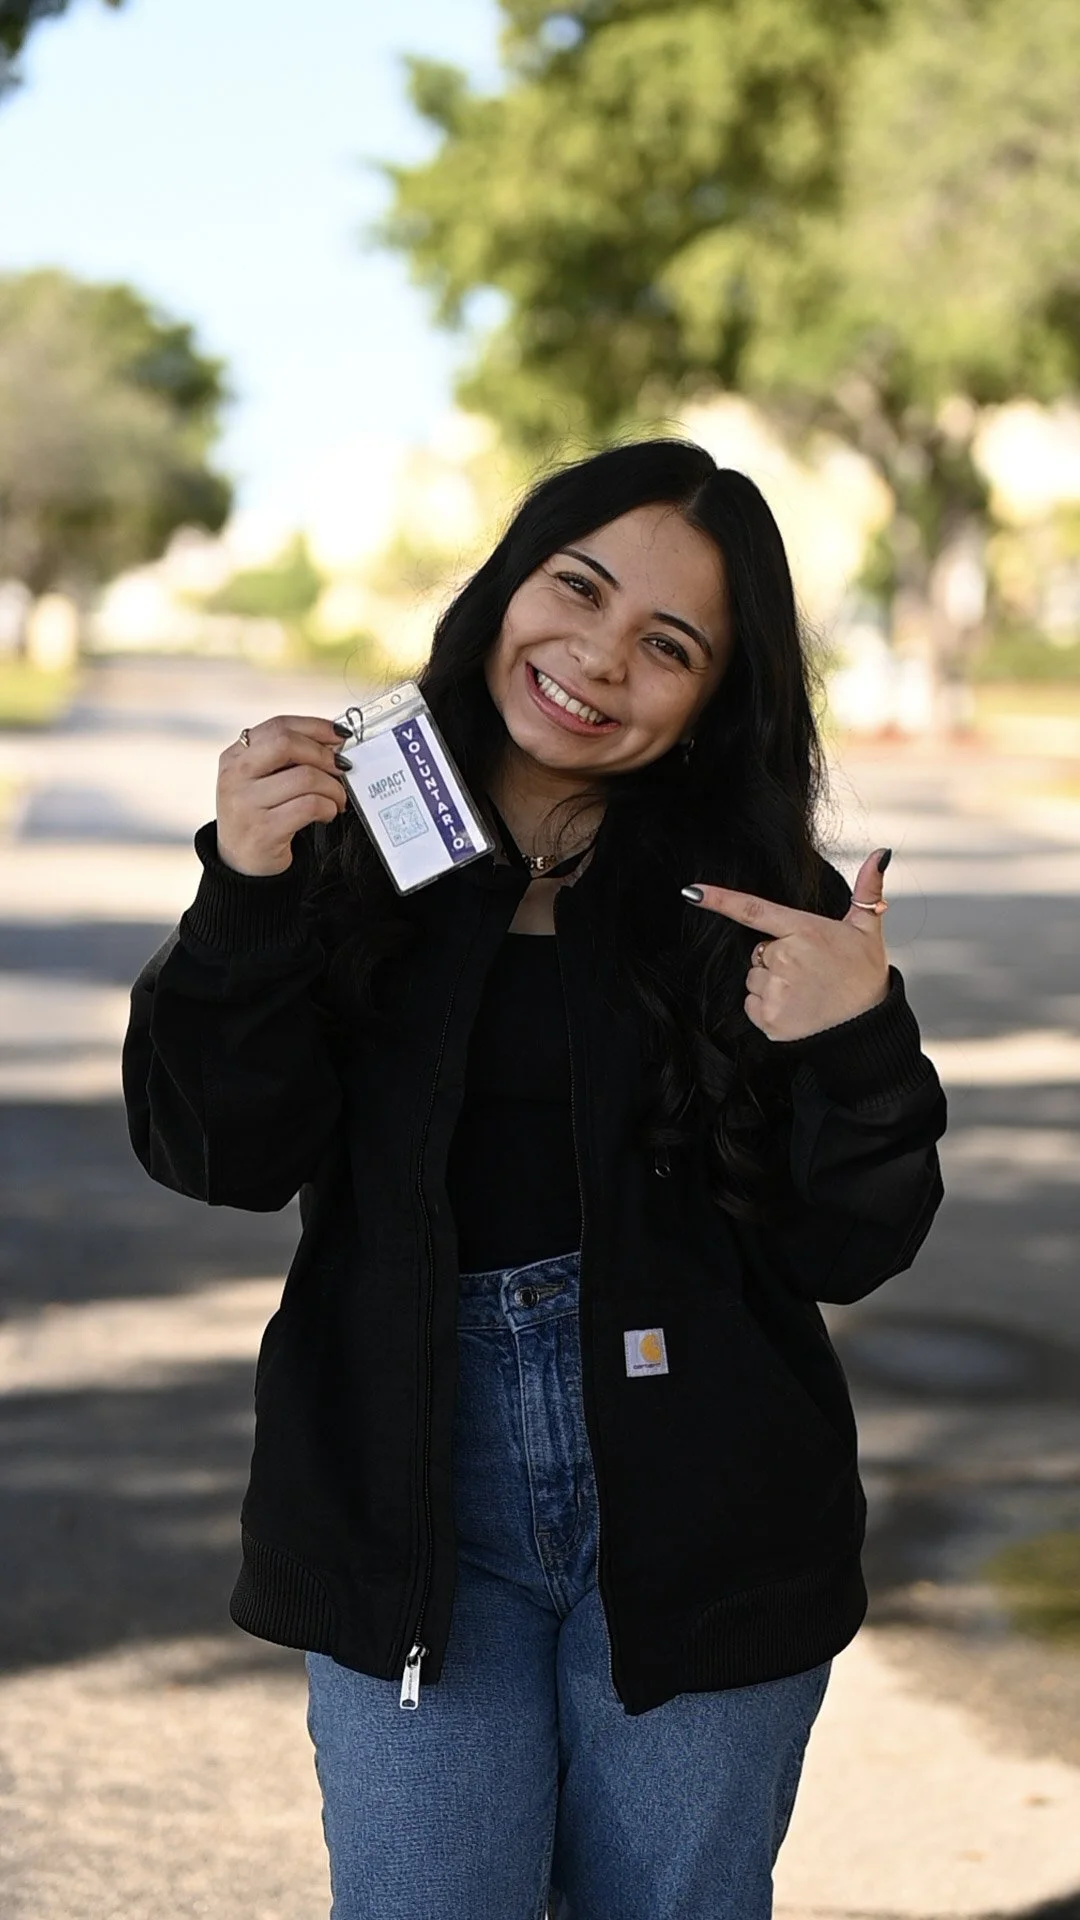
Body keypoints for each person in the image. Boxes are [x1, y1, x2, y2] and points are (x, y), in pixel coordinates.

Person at [123, 438, 947, 1920]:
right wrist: (243, 894)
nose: (597, 657)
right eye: (577, 588)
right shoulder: (343, 837)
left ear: (714, 699)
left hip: (706, 1506)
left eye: (668, 645)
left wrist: (859, 1043)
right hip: (410, 1493)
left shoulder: (757, 906)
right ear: (511, 581)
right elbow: (219, 1156)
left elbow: (853, 1241)